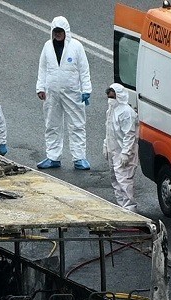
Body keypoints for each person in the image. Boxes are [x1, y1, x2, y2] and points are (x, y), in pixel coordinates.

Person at [35, 16, 92, 171]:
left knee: (77, 125)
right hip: (52, 93)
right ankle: (53, 157)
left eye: (60, 31)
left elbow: (84, 69)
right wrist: (40, 88)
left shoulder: (76, 47)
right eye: (55, 31)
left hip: (73, 93)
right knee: (52, 124)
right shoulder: (47, 46)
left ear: (66, 31)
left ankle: (79, 158)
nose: (58, 34)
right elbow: (43, 68)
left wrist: (86, 89)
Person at [103, 83, 138, 212]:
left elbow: (129, 134)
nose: (110, 99)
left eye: (112, 96)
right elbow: (109, 129)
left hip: (124, 153)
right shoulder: (111, 110)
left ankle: (130, 210)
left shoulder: (126, 113)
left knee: (124, 181)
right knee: (115, 180)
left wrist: (125, 153)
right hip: (114, 152)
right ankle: (121, 207)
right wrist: (106, 145)